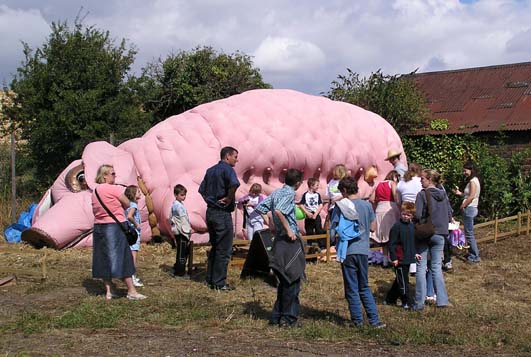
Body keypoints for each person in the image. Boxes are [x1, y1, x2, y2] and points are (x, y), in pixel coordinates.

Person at [330, 176, 385, 328]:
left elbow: (332, 232)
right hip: (363, 250)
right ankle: (374, 320)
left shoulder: (340, 206)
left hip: (347, 251)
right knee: (364, 286)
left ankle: (357, 321)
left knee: (351, 287)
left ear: (345, 190)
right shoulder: (366, 205)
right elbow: (373, 227)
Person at [255, 169, 305, 328]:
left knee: (283, 280)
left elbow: (261, 208)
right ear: (298, 183)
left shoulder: (276, 193)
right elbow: (279, 210)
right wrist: (289, 229)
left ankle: (277, 316)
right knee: (292, 279)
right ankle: (288, 318)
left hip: (279, 241)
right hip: (289, 241)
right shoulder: (290, 194)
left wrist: (271, 224)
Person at [91, 164, 146, 300]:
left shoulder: (95, 191)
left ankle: (109, 291)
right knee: (123, 256)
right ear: (105, 176)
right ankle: (131, 290)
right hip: (114, 226)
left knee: (103, 257)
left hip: (99, 226)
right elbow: (127, 203)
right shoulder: (114, 189)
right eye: (113, 174)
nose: (115, 176)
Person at [198, 146, 240, 291]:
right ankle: (219, 282)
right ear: (227, 156)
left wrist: (210, 201)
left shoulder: (210, 171)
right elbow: (234, 184)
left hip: (210, 212)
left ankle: (210, 278)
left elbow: (201, 190)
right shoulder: (228, 169)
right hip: (222, 214)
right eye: (235, 156)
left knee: (215, 246)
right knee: (224, 249)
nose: (237, 159)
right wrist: (229, 198)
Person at [413, 169, 452, 310]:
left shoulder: (422, 195)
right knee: (436, 267)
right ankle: (442, 300)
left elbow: (417, 214)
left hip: (425, 232)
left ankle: (419, 303)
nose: (420, 180)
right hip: (441, 232)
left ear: (429, 179)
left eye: (422, 178)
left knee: (421, 267)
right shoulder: (443, 195)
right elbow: (449, 213)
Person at [384, 202, 417, 310]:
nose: (405, 216)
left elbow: (412, 242)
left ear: (412, 216)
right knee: (403, 281)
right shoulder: (397, 226)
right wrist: (394, 258)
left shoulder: (412, 226)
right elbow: (392, 244)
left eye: (408, 215)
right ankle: (406, 301)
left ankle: (390, 298)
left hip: (408, 257)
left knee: (400, 279)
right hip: (399, 259)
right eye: (404, 214)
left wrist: (415, 253)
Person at [452, 161, 481, 263]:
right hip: (470, 208)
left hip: (470, 208)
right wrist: (459, 193)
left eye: (465, 170)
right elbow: (467, 194)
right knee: (469, 232)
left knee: (469, 234)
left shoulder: (473, 181)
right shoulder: (473, 181)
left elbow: (471, 196)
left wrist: (463, 205)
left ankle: (475, 256)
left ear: (471, 170)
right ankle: (472, 253)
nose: (464, 172)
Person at [372, 170, 401, 267]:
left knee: (383, 236)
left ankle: (384, 260)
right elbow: (395, 196)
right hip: (390, 209)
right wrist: (400, 206)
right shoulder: (392, 183)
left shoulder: (378, 184)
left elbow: (372, 199)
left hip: (379, 208)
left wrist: (376, 206)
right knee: (392, 235)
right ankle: (393, 258)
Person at [170, 184, 192, 278]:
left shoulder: (175, 205)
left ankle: (177, 268)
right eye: (182, 195)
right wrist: (188, 231)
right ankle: (180, 272)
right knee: (182, 253)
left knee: (180, 250)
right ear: (176, 195)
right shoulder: (178, 206)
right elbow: (183, 220)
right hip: (182, 231)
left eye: (184, 195)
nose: (184, 197)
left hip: (178, 231)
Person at [124, 185, 144, 287]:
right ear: (133, 194)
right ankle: (132, 277)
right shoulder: (134, 206)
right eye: (138, 192)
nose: (140, 193)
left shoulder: (128, 205)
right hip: (134, 233)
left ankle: (130, 276)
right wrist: (136, 224)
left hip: (129, 232)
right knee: (133, 256)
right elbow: (129, 216)